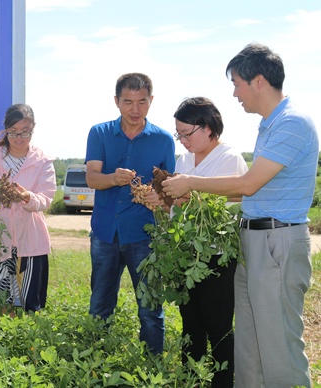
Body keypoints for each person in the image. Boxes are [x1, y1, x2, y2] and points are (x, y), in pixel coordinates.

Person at [162, 43, 317, 387]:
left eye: (236, 83)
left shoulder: (292, 123)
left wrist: (191, 182)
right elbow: (251, 190)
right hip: (255, 239)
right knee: (250, 344)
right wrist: (187, 193)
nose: (234, 94)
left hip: (277, 240)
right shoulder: (269, 125)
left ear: (258, 80)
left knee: (278, 342)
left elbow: (249, 184)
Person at [85, 73, 175, 355]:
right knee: (100, 303)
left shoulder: (163, 139)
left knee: (150, 308)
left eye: (142, 102)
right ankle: (95, 359)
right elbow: (92, 178)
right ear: (116, 101)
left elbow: (170, 188)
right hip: (105, 233)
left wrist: (159, 197)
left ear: (151, 101)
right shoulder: (99, 133)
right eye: (128, 102)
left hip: (144, 234)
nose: (135, 110)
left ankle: (152, 363)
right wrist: (113, 178)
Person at [170, 97, 248, 387]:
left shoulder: (229, 158)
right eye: (178, 134)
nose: (182, 141)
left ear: (208, 128)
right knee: (191, 324)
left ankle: (222, 382)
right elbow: (177, 207)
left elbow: (232, 202)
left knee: (218, 326)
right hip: (186, 254)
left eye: (186, 134)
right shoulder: (183, 160)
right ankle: (191, 379)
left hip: (217, 255)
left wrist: (185, 196)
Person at [0, 103, 56, 312]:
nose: (19, 137)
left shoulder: (42, 161)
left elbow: (46, 197)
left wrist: (27, 197)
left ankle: (21, 330)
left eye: (25, 131)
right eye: (13, 131)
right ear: (5, 129)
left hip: (30, 238)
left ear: (33, 128)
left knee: (27, 303)